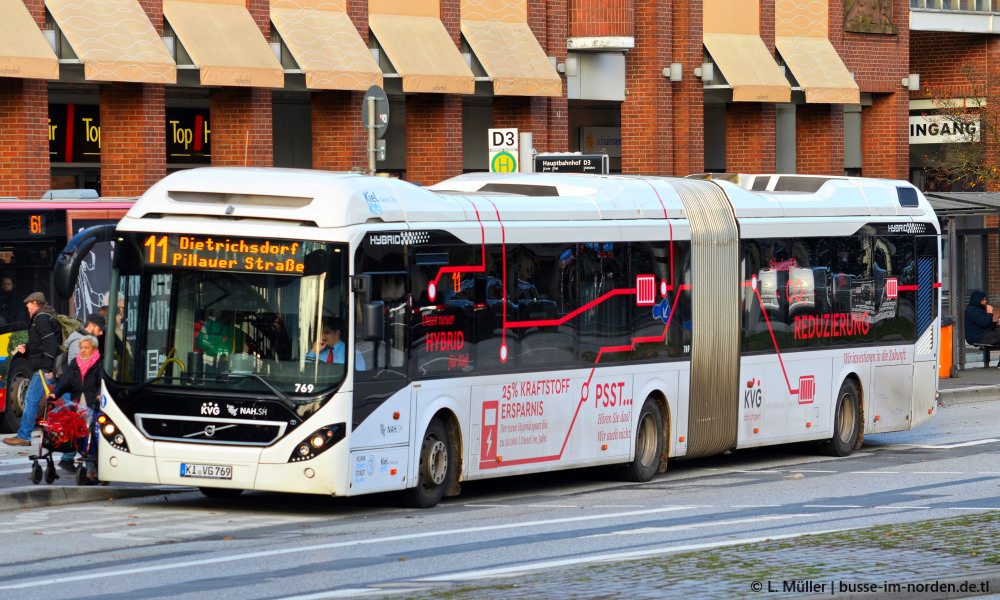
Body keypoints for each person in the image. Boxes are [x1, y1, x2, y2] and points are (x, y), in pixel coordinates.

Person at [3, 292, 61, 446]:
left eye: (28, 305)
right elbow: (43, 342)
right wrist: (27, 347)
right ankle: (79, 429)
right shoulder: (46, 316)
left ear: (35, 303)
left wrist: (47, 368)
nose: (27, 308)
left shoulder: (40, 318)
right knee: (66, 398)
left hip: (44, 367)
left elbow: (50, 344)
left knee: (31, 399)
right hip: (51, 364)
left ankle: (24, 436)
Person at [45, 335, 102, 483]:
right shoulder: (74, 363)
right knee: (82, 438)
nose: (82, 351)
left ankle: (92, 473)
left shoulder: (99, 363)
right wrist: (55, 393)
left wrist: (98, 395)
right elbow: (65, 382)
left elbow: (102, 383)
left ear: (94, 349)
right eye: (81, 347)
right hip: (78, 407)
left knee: (92, 438)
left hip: (94, 406)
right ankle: (90, 469)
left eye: (86, 348)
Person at [52, 313, 105, 471]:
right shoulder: (79, 344)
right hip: (78, 397)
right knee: (80, 429)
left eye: (86, 348)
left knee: (84, 430)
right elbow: (71, 375)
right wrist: (56, 392)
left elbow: (100, 379)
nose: (102, 333)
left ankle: (76, 460)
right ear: (92, 326)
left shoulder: (98, 360)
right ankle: (72, 459)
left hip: (88, 399)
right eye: (100, 329)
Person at [965, 290, 1000, 360]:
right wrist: (990, 313)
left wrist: (996, 324)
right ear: (978, 300)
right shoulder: (972, 311)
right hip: (977, 336)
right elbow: (984, 323)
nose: (985, 301)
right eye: (983, 299)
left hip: (982, 334)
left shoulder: (978, 309)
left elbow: (985, 323)